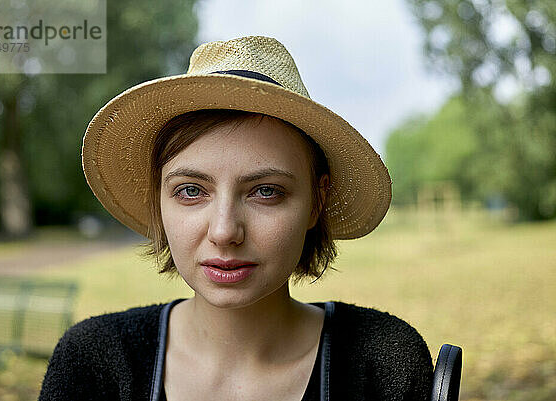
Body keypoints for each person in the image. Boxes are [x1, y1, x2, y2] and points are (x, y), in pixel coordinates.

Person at [39, 35, 433, 400]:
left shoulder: (382, 362)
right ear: (159, 200)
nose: (225, 231)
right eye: (191, 191)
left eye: (266, 191)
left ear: (316, 200)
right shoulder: (95, 362)